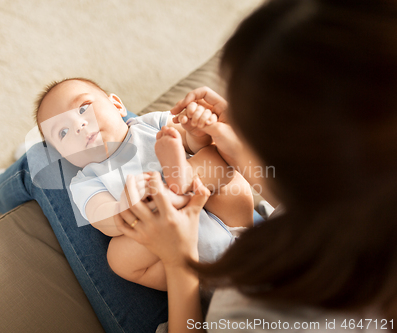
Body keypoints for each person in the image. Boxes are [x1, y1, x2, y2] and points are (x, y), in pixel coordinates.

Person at [115, 0, 397, 331]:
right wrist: (237, 147)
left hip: (199, 293)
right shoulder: (369, 189)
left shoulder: (252, 313)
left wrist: (179, 261)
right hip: (251, 229)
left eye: (247, 123)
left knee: (113, 249)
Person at [31, 77, 252, 291]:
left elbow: (196, 144)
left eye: (83, 108)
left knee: (213, 158)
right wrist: (122, 209)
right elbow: (100, 216)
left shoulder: (152, 124)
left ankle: (179, 186)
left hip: (234, 229)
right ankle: (172, 194)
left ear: (117, 105)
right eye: (63, 132)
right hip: (188, 264)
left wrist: (196, 131)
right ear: (63, 156)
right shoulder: (85, 182)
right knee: (118, 258)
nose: (78, 125)